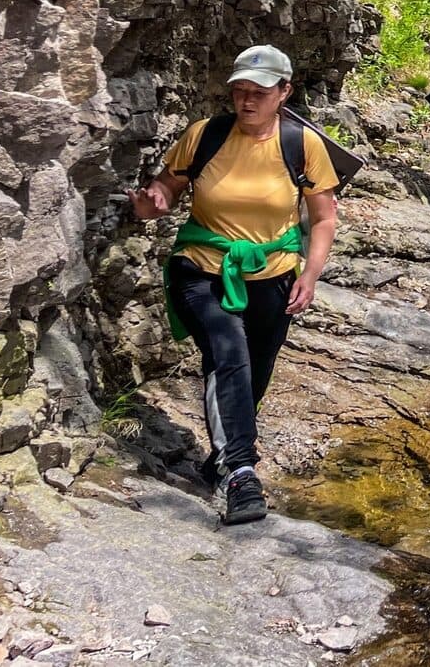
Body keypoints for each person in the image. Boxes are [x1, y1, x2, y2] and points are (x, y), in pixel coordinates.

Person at [129, 45, 339, 526]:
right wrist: (152, 202)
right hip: (202, 269)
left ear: (284, 93)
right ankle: (242, 473)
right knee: (228, 355)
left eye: (259, 94)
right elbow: (166, 188)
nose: (247, 102)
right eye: (240, 92)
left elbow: (323, 217)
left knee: (254, 373)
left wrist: (310, 272)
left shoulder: (301, 145)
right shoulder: (206, 135)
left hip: (273, 276)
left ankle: (222, 455)